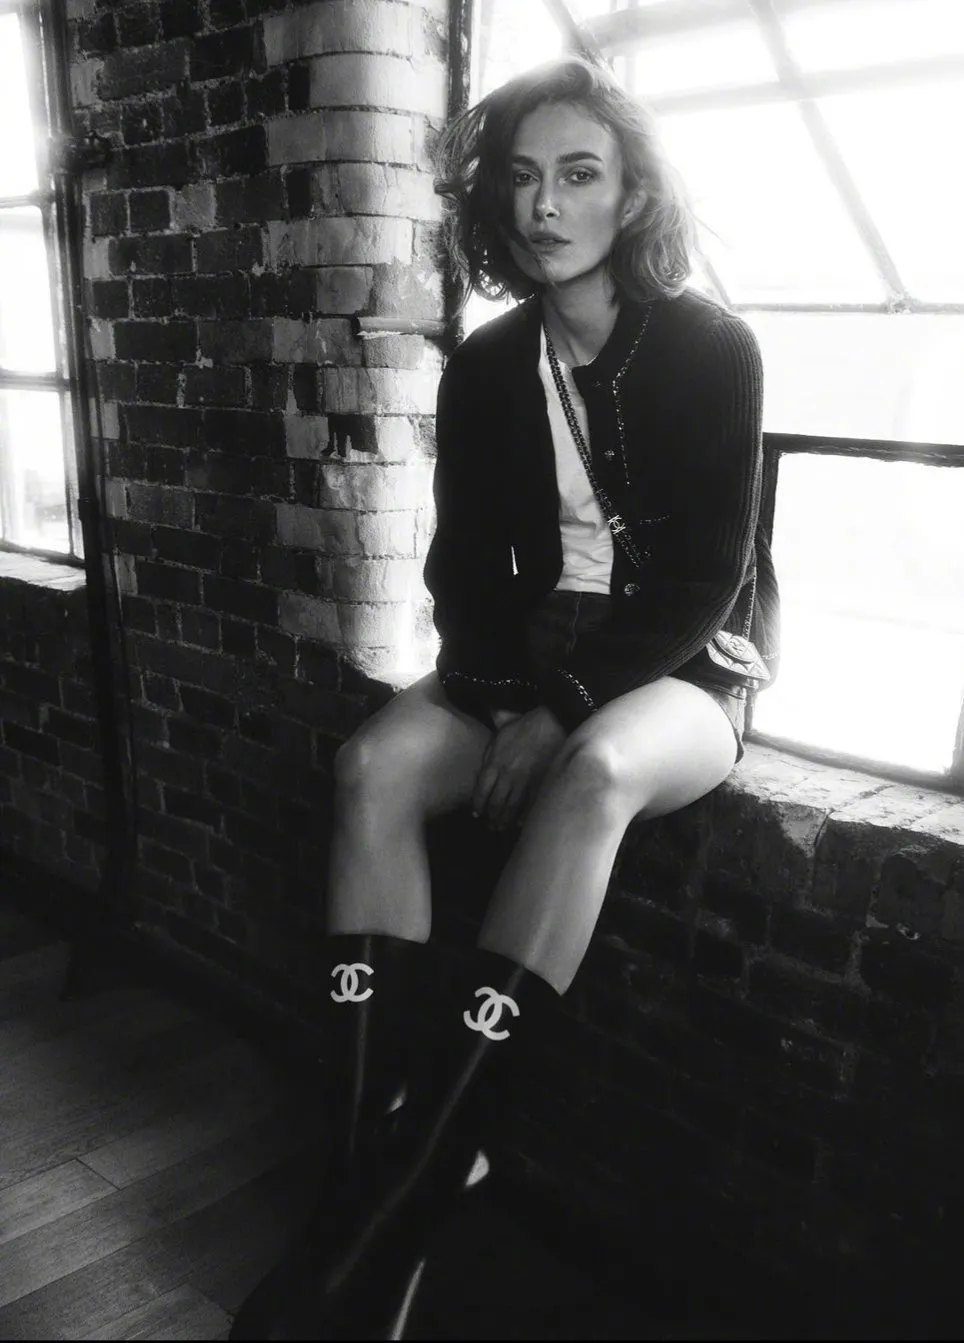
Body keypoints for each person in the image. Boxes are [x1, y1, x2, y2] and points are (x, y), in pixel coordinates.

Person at [229, 54, 779, 1342]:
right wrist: (491, 689)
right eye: (524, 178)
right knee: (371, 768)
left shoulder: (710, 348)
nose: (545, 205)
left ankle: (431, 1156)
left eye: (580, 175)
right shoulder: (484, 365)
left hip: (679, 662)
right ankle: (369, 1151)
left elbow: (705, 576)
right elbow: (462, 567)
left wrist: (565, 704)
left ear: (633, 194)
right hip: (522, 657)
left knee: (594, 773)